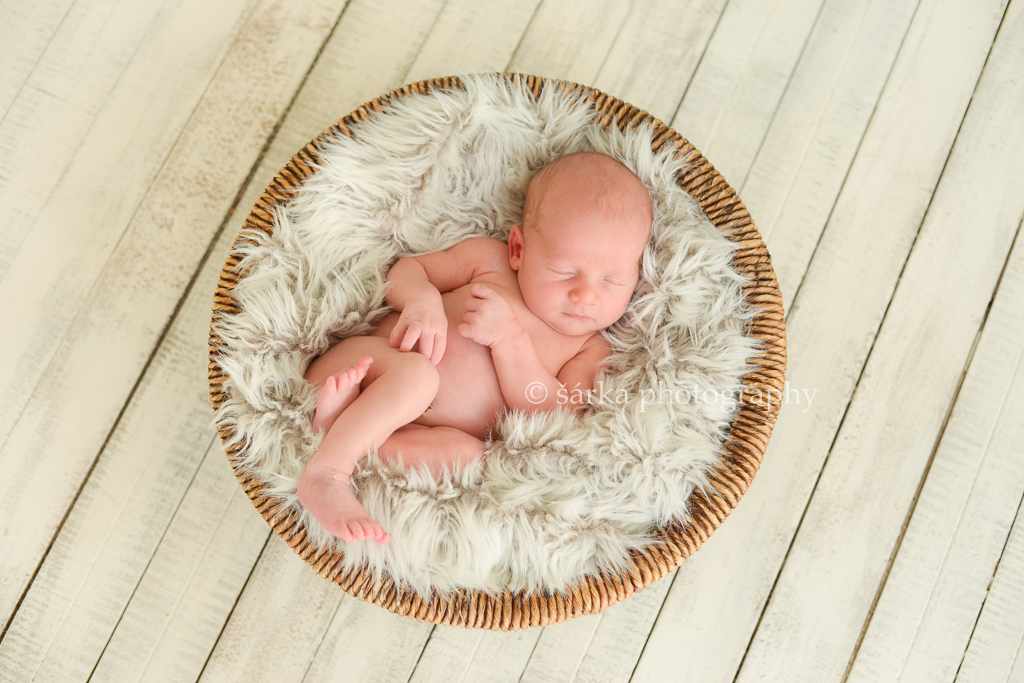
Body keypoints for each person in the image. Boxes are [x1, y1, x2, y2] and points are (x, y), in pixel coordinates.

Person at [297, 152, 653, 544]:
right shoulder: (491, 261)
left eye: (613, 281)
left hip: (410, 430)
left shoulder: (591, 345)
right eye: (564, 271)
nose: (585, 295)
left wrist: (510, 339)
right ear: (519, 249)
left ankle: (342, 432)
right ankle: (327, 473)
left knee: (472, 459)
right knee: (417, 377)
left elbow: (555, 409)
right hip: (366, 369)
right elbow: (408, 269)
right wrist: (421, 300)